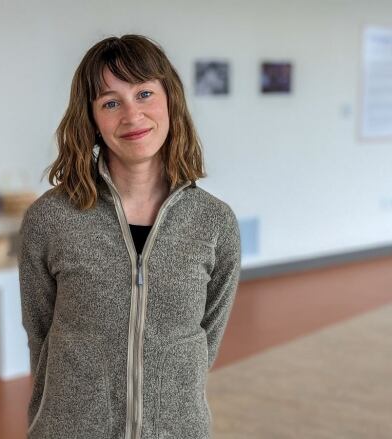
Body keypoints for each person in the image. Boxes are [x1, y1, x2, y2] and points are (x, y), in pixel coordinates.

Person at [18, 34, 241, 439]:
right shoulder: (50, 219)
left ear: (170, 100)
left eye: (144, 93)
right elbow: (40, 333)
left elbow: (204, 344)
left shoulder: (214, 223)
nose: (132, 115)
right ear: (92, 120)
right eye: (110, 102)